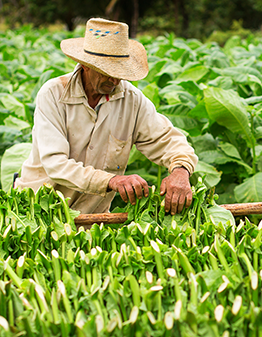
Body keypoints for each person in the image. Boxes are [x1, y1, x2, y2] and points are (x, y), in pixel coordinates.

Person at [15, 18, 197, 215]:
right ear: (85, 65)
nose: (114, 79)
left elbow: (168, 139)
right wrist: (112, 180)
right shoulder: (53, 94)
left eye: (119, 72)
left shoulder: (131, 99)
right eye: (106, 72)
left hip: (93, 218)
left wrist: (180, 171)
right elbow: (55, 164)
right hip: (38, 215)